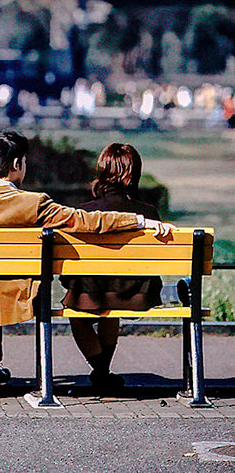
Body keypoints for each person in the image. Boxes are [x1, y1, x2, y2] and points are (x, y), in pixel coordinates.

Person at [0, 131, 173, 392]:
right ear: (18, 164)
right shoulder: (35, 203)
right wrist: (140, 221)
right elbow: (89, 221)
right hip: (19, 294)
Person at [60, 142, 164, 395]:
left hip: (89, 295)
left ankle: (101, 372)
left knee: (77, 313)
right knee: (112, 302)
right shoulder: (149, 213)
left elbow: (67, 271)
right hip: (138, 295)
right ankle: (103, 374)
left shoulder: (84, 213)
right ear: (133, 175)